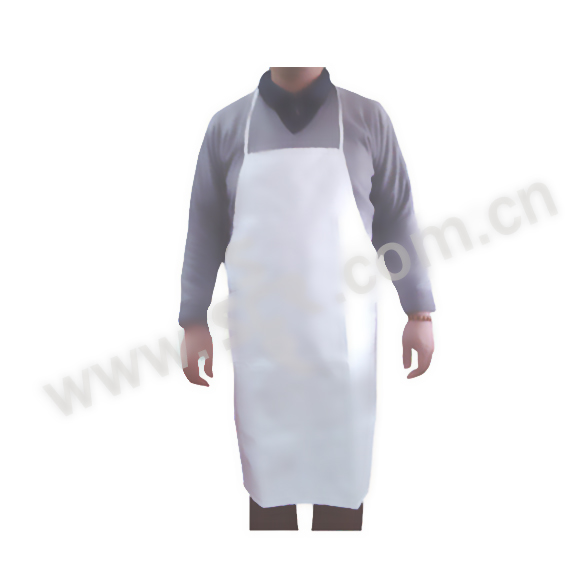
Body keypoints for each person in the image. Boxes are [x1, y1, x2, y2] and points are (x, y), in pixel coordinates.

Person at [179, 67, 435, 531]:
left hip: (343, 353)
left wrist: (418, 309)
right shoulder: (228, 126)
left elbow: (396, 222)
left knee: (342, 496)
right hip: (265, 353)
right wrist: (193, 319)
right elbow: (205, 228)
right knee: (269, 498)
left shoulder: (366, 119)